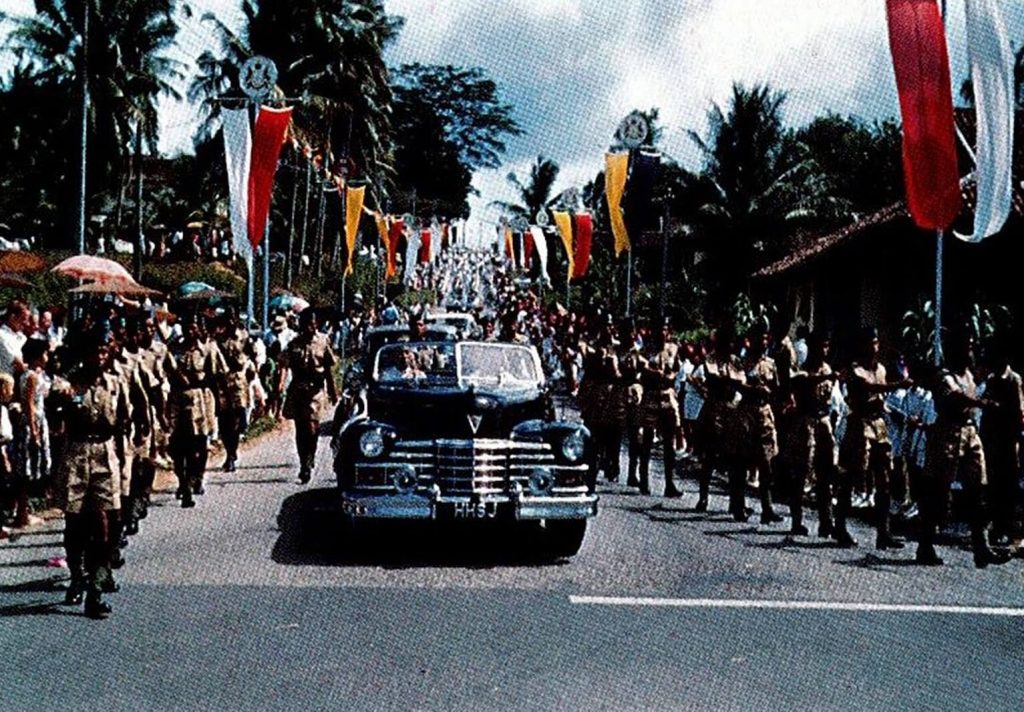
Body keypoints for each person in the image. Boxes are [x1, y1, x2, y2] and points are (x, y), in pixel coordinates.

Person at [917, 329, 1010, 568]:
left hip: (969, 431)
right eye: (966, 346)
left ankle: (981, 547)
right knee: (938, 491)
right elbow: (955, 397)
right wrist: (981, 402)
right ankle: (925, 544)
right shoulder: (944, 376)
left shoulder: (969, 374)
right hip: (947, 432)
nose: (970, 351)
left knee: (977, 490)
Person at [54, 331, 130, 619]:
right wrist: (65, 398)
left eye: (104, 351)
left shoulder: (115, 384)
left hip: (105, 453)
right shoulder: (70, 384)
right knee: (74, 524)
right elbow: (57, 416)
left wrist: (121, 459)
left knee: (107, 523)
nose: (100, 356)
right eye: (94, 351)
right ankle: (77, 575)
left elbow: (122, 421)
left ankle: (96, 588)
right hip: (76, 453)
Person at [837, 327, 909, 549]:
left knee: (884, 480)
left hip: (878, 425)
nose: (874, 347)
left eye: (876, 342)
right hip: (859, 425)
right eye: (870, 343)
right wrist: (897, 385)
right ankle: (840, 526)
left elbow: (880, 395)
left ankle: (883, 533)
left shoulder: (881, 369)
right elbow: (868, 387)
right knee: (851, 476)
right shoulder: (854, 370)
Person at [787, 332, 837, 536]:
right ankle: (796, 520)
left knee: (826, 472)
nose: (824, 351)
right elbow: (804, 382)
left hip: (823, 421)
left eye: (826, 346)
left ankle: (826, 521)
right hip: (806, 422)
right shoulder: (803, 370)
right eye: (821, 346)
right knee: (801, 473)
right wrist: (826, 377)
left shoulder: (827, 368)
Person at [280, 310, 338, 484]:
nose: (311, 327)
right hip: (298, 389)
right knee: (300, 428)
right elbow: (284, 365)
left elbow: (328, 367)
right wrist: (280, 385)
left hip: (316, 391)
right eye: (308, 323)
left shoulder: (323, 341)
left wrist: (333, 390)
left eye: (313, 323)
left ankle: (310, 455)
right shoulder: (294, 344)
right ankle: (304, 464)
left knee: (312, 427)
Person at [168, 317, 221, 508]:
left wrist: (218, 404)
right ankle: (183, 481)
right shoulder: (175, 349)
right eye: (187, 328)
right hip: (177, 400)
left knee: (197, 445)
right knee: (176, 447)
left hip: (200, 400)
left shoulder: (207, 350)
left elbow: (215, 377)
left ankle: (193, 480)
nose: (190, 332)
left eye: (194, 328)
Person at [979, 338, 1023, 548]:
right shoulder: (991, 379)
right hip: (992, 439)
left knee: (1008, 485)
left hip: (1008, 438)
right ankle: (997, 527)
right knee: (993, 485)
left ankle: (1008, 527)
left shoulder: (1014, 379)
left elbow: (1019, 411)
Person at [638, 318, 684, 498]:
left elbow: (677, 368)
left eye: (665, 329)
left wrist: (671, 376)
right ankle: (644, 479)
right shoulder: (646, 349)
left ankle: (669, 483)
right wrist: (653, 373)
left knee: (669, 443)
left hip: (667, 396)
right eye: (659, 330)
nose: (662, 333)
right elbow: (642, 369)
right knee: (647, 441)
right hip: (651, 396)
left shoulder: (673, 349)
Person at [743, 326, 783, 524]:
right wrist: (753, 389)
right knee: (742, 460)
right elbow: (737, 384)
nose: (764, 342)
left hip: (765, 413)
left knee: (767, 463)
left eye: (766, 338)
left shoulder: (771, 364)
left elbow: (776, 388)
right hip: (746, 413)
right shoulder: (742, 363)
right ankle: (738, 503)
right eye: (760, 338)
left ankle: (767, 508)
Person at [215, 313, 256, 473]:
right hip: (222, 381)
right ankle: (229, 453)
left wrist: (251, 368)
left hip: (239, 378)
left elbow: (252, 354)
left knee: (238, 419)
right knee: (225, 421)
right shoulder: (219, 339)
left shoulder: (243, 337)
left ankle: (232, 453)